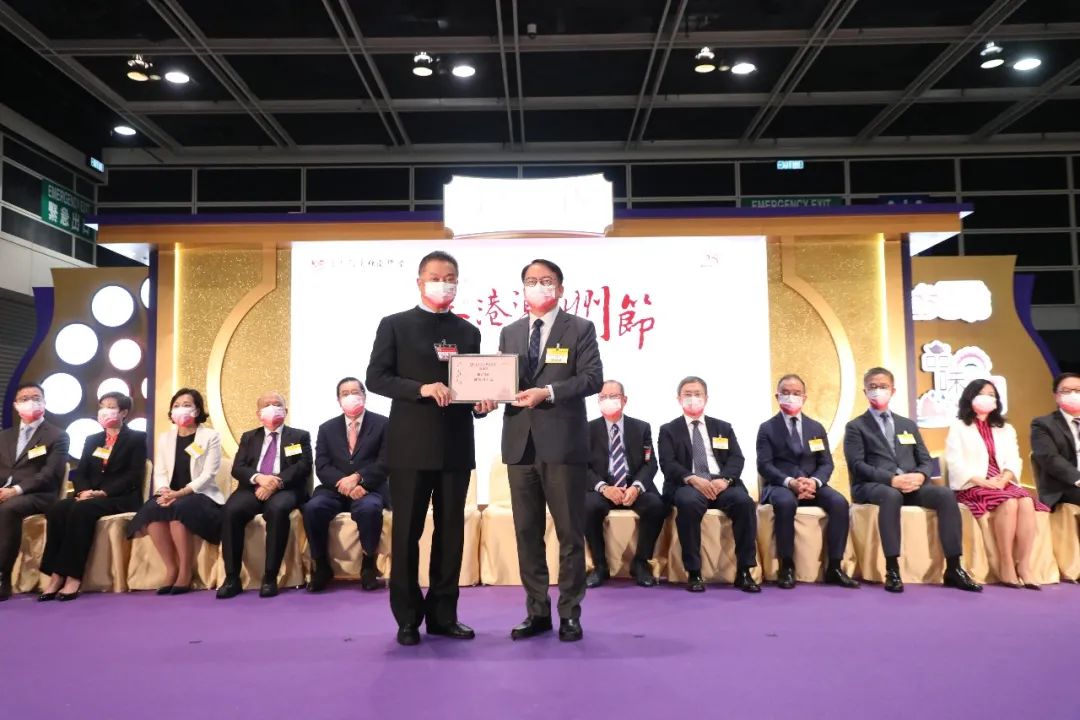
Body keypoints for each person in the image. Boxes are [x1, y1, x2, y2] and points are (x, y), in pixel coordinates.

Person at [366, 250, 495, 647]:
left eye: (451, 277)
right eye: (436, 277)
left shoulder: (468, 332)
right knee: (407, 533)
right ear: (420, 282)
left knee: (451, 533)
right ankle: (407, 617)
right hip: (409, 446)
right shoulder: (395, 325)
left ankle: (444, 615)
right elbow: (376, 378)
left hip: (455, 446)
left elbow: (473, 385)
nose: (444, 284)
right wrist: (421, 388)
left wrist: (481, 404)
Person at [500, 258, 603, 643]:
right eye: (531, 281)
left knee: (569, 534)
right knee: (526, 533)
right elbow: (502, 383)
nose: (538, 286)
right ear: (523, 288)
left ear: (559, 288)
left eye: (546, 281)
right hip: (519, 444)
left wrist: (549, 392)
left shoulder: (580, 328)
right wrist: (484, 400)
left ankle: (570, 613)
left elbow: (593, 378)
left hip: (563, 445)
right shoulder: (510, 332)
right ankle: (537, 612)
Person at [843, 366, 981, 593]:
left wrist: (920, 475)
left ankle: (954, 568)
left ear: (893, 390)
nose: (878, 391)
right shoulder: (855, 426)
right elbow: (857, 465)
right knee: (891, 496)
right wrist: (891, 479)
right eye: (873, 387)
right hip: (875, 486)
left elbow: (925, 460)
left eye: (883, 386)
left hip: (912, 484)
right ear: (865, 391)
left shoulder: (907, 424)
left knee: (945, 495)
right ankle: (892, 569)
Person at [39, 392, 145, 601]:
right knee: (58, 508)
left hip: (119, 496)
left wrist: (103, 492)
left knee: (81, 510)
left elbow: (133, 474)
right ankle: (55, 575)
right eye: (102, 406)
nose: (105, 411)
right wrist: (84, 491)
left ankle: (73, 576)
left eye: (111, 407)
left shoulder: (136, 438)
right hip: (89, 495)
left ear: (123, 412)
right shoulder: (93, 439)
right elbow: (81, 472)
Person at [658, 376, 760, 594]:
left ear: (706, 398)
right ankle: (694, 571)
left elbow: (736, 458)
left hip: (720, 482)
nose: (693, 398)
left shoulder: (723, 427)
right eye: (687, 394)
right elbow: (668, 463)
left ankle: (745, 570)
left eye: (697, 394)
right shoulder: (668, 430)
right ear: (678, 399)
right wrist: (693, 479)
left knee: (744, 503)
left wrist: (724, 480)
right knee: (687, 503)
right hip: (689, 484)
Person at [756, 374, 858, 589]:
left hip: (812, 483)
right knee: (785, 503)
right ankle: (787, 566)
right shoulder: (767, 428)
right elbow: (765, 465)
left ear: (804, 397)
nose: (791, 397)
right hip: (781, 485)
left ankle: (835, 567)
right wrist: (790, 482)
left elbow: (826, 463)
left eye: (796, 393)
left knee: (839, 503)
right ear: (777, 396)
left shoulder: (816, 428)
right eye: (785, 393)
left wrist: (814, 482)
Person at [945, 379, 1048, 589]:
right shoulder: (959, 427)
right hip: (973, 484)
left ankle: (1024, 566)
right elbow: (954, 462)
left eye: (992, 395)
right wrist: (983, 481)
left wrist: (1004, 479)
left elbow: (1014, 459)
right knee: (1009, 502)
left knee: (1026, 501)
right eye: (982, 394)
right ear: (970, 397)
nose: (987, 398)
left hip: (1002, 482)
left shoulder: (1006, 428)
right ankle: (1006, 564)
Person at [127, 388, 223, 594]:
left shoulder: (210, 436)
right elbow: (160, 471)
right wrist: (164, 491)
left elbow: (209, 474)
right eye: (176, 406)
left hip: (200, 494)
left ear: (197, 410)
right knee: (152, 510)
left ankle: (185, 571)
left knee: (180, 510)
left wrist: (181, 493)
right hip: (170, 493)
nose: (181, 409)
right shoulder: (165, 438)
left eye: (187, 405)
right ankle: (171, 568)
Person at [217, 392, 312, 600]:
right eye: (267, 405)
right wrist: (259, 478)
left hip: (285, 488)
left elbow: (303, 466)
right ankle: (232, 578)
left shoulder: (299, 436)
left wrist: (275, 482)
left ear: (285, 411)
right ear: (258, 413)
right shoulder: (249, 437)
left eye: (277, 404)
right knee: (231, 511)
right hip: (252, 487)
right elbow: (238, 468)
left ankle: (270, 577)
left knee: (278, 510)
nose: (272, 408)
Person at [303, 377, 388, 593]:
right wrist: (345, 483)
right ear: (338, 400)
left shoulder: (383, 424)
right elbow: (322, 465)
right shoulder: (327, 428)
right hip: (334, 488)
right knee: (313, 508)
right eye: (345, 393)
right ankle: (321, 566)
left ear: (364, 396)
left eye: (355, 392)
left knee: (369, 509)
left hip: (368, 487)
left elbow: (386, 462)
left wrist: (359, 478)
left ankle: (368, 565)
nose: (350, 397)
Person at [584, 380, 665, 588]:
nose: (608, 401)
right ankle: (600, 566)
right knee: (588, 507)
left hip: (632, 486)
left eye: (613, 397)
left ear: (624, 400)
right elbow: (582, 467)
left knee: (656, 506)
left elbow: (650, 463)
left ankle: (640, 563)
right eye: (603, 397)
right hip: (603, 487)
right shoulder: (586, 429)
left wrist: (636, 487)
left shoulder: (641, 427)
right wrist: (604, 488)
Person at [0, 382, 70, 600]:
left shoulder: (57, 436)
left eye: (36, 398)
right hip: (4, 492)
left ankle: (3, 577)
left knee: (8, 509)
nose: (31, 402)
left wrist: (16, 490)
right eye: (24, 399)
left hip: (39, 494)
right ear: (15, 405)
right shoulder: (5, 436)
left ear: (44, 402)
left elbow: (49, 474)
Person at [1031, 372, 1080, 511]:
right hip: (1064, 487)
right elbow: (1049, 457)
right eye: (1066, 391)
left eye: (1078, 390)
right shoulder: (1043, 424)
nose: (1073, 394)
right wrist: (1078, 478)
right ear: (1056, 396)